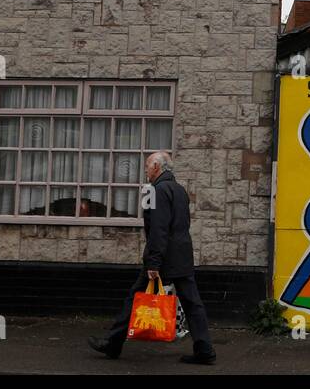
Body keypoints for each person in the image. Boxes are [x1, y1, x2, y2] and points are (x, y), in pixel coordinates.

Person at [90, 151, 217, 365]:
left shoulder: (156, 190)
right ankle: (204, 349)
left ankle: (113, 344)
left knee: (135, 297)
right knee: (192, 303)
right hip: (182, 254)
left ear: (157, 167)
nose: (146, 171)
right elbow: (181, 225)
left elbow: (159, 229)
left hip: (163, 256)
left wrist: (154, 261)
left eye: (148, 167)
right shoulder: (179, 190)